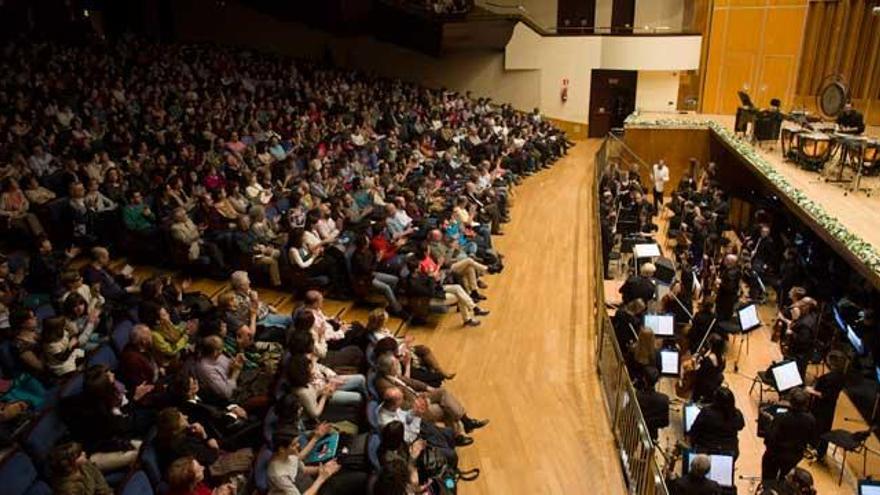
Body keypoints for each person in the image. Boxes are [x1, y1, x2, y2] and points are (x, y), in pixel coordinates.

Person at [268, 427, 366, 495]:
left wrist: (323, 469)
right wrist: (322, 478)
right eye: (294, 444)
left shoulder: (290, 455)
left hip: (307, 483)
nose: (298, 446)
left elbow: (304, 469)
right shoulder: (278, 474)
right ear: (281, 449)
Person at [761, 388, 816, 480]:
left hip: (775, 455)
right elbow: (811, 438)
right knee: (785, 480)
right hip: (794, 456)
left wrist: (770, 424)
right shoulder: (811, 419)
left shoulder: (781, 417)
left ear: (790, 402)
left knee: (768, 479)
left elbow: (769, 438)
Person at [807, 350, 847, 461]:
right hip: (830, 406)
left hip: (821, 406)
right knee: (824, 427)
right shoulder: (842, 376)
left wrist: (811, 391)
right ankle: (820, 451)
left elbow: (824, 395)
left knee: (818, 426)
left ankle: (815, 450)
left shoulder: (830, 378)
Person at [689, 387, 745, 459]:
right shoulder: (737, 414)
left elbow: (695, 430)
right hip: (730, 453)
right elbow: (741, 426)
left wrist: (692, 444)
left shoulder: (707, 412)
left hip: (706, 451)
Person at [47, 442, 113, 495]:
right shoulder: (69, 489)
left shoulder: (85, 464)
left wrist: (107, 492)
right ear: (71, 464)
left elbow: (99, 479)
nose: (84, 454)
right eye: (79, 455)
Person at [165, 456, 235, 495]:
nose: (203, 468)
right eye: (199, 470)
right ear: (191, 482)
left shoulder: (191, 485)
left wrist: (218, 491)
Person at [635, 367, 669, 441]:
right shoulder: (664, 399)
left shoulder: (637, 396)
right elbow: (664, 423)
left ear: (644, 379)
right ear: (657, 380)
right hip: (651, 434)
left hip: (635, 430)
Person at [692, 334, 726, 403]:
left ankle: (694, 400)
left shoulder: (708, 359)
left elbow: (698, 371)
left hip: (705, 384)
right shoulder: (723, 357)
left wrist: (694, 361)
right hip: (715, 380)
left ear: (711, 345)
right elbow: (721, 369)